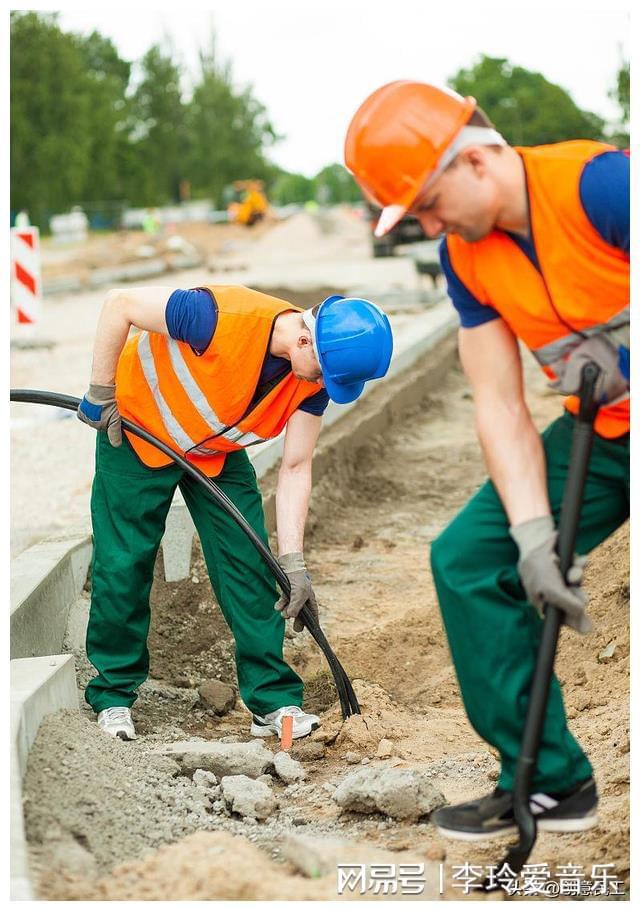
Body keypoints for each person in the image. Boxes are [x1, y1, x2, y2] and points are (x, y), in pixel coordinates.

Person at [345, 81, 629, 839]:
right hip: (606, 434)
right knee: (470, 558)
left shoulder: (602, 186)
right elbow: (498, 404)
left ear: (475, 159)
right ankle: (549, 781)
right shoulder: (466, 257)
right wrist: (535, 537)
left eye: (429, 203)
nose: (430, 224)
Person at [78, 284, 393, 742]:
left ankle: (271, 701)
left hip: (213, 451)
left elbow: (296, 465)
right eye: (325, 374)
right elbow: (118, 304)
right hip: (134, 430)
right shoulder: (214, 316)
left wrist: (294, 563)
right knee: (123, 562)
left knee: (250, 563)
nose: (324, 385)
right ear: (306, 340)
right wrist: (101, 391)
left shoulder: (311, 382)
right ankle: (113, 698)